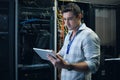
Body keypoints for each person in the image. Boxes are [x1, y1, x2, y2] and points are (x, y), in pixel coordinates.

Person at [47, 2, 100, 80]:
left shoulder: (88, 35)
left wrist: (67, 66)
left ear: (79, 16)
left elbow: (94, 65)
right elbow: (62, 53)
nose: (66, 24)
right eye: (64, 19)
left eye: (70, 19)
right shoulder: (69, 34)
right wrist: (52, 55)